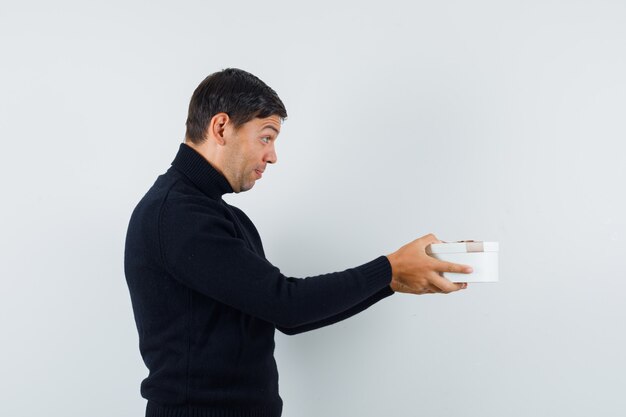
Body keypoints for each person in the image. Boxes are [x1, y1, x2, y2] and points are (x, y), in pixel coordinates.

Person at [124, 68, 472, 417]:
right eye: (266, 137)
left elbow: (288, 317)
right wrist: (389, 268)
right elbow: (287, 304)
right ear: (221, 127)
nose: (273, 156)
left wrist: (394, 280)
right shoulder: (176, 214)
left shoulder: (219, 216)